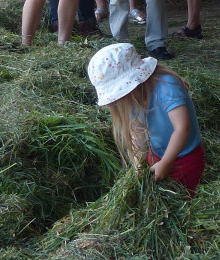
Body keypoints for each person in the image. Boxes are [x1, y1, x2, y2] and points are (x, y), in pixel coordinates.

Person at [86, 42, 205, 195]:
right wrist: (139, 165)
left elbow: (182, 128)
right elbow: (137, 131)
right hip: (156, 155)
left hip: (186, 159)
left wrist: (166, 163)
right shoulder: (133, 98)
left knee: (180, 202)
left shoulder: (167, 87)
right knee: (156, 201)